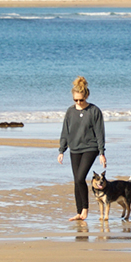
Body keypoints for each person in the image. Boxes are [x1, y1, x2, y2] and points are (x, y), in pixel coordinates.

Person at [56, 75, 106, 221]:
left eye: (81, 100)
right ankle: (79, 212)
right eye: (75, 100)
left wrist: (102, 152)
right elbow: (65, 131)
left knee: (80, 177)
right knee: (76, 180)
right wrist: (61, 150)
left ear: (86, 96)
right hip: (75, 148)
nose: (78, 102)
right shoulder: (70, 112)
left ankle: (85, 210)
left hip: (91, 147)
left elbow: (100, 132)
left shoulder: (94, 111)